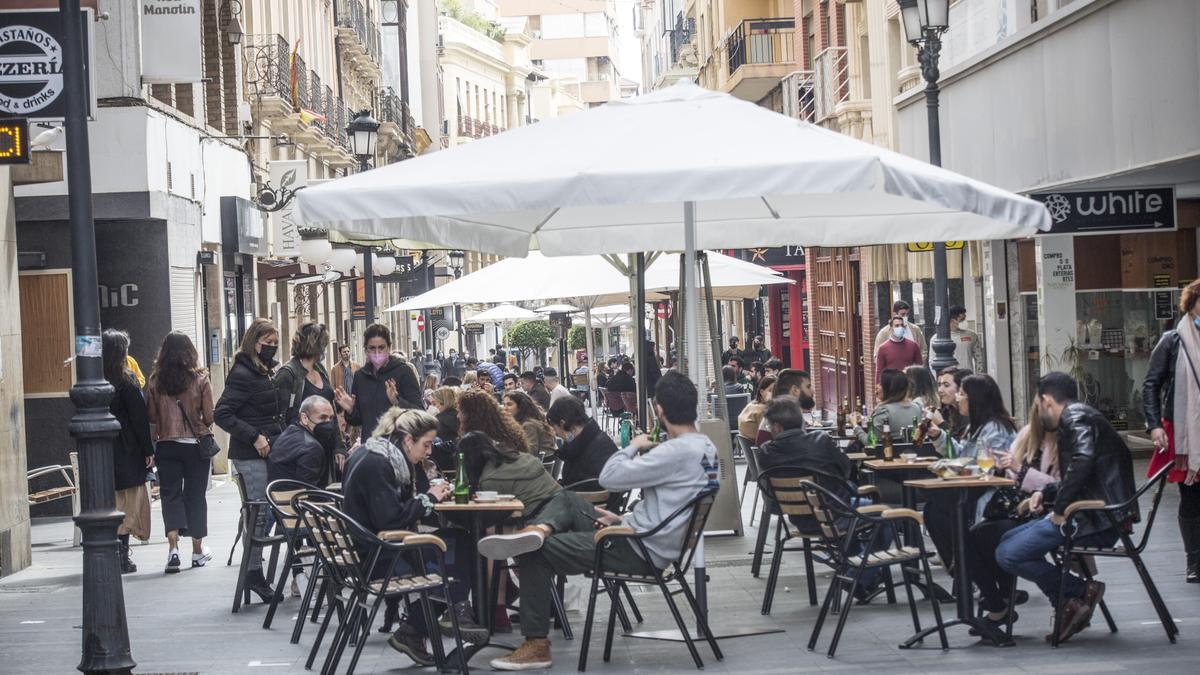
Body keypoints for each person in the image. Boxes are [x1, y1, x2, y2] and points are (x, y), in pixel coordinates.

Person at [486, 370, 718, 670]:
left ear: (658, 409)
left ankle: (536, 645)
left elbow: (610, 477)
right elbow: (674, 506)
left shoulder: (675, 452)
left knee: (536, 553)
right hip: (647, 538)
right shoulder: (706, 448)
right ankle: (540, 528)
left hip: (636, 548)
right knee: (567, 499)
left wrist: (634, 445)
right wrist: (625, 518)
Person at [996, 372, 1137, 644]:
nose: (1038, 411)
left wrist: (1060, 508)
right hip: (1094, 514)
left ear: (1047, 400)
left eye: (1038, 403)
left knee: (1007, 553)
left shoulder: (1075, 417)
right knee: (1007, 539)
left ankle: (1077, 592)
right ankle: (1070, 599)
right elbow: (1079, 471)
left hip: (1095, 519)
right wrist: (1045, 492)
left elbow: (1083, 461)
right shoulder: (1079, 415)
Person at [340, 408, 488, 663]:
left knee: (459, 541)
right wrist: (428, 499)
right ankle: (445, 616)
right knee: (452, 558)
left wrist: (427, 499)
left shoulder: (374, 453)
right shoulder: (379, 464)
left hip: (371, 547)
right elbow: (391, 519)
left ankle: (436, 620)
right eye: (426, 444)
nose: (429, 451)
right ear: (408, 439)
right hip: (379, 556)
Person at [966, 402, 1060, 629]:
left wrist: (1021, 470)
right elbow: (1011, 473)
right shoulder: (1027, 435)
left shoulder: (1063, 443)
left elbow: (1059, 487)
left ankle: (1000, 601)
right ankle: (1000, 598)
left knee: (978, 539)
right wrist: (1003, 466)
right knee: (970, 537)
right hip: (1016, 508)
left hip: (1044, 512)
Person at [924, 373, 1017, 576]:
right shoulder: (976, 427)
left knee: (940, 511)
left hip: (994, 498)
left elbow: (991, 470)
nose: (958, 398)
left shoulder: (995, 429)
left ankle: (968, 570)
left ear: (975, 399)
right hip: (973, 491)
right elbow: (964, 456)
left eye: (962, 394)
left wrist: (957, 468)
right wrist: (939, 436)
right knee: (934, 509)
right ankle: (963, 568)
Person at [214, 319, 282, 595]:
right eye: (268, 344)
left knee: (264, 513)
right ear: (254, 343)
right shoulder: (243, 373)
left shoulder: (264, 372)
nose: (272, 349)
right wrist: (255, 436)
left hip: (267, 454)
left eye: (276, 344)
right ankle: (253, 573)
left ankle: (255, 570)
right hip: (251, 457)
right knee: (259, 514)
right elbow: (222, 413)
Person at [1142, 280, 1200, 583]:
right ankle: (1195, 561)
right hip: (1184, 429)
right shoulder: (1172, 340)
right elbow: (1151, 385)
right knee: (1191, 496)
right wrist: (1153, 426)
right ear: (1191, 304)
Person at [147, 330, 216, 575]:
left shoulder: (156, 380)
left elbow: (152, 416)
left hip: (166, 445)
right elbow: (209, 416)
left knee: (170, 496)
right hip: (195, 447)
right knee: (196, 497)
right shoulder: (200, 379)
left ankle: (173, 550)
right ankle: (197, 552)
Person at [103, 329, 155, 574]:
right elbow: (139, 419)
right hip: (127, 449)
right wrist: (148, 450)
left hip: (102, 450)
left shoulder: (95, 380)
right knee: (128, 502)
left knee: (110, 501)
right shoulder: (128, 381)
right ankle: (122, 555)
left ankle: (112, 552)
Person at [275, 321, 345, 481]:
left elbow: (331, 411)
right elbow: (281, 417)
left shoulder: (320, 370)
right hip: (303, 452)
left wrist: (339, 446)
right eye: (324, 344)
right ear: (315, 345)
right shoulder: (288, 374)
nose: (325, 349)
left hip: (325, 448)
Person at [334, 324, 423, 441]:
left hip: (397, 448)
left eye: (381, 347)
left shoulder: (404, 372)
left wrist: (397, 401)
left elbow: (420, 414)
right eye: (372, 348)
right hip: (371, 446)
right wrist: (350, 409)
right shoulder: (360, 376)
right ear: (366, 349)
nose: (377, 353)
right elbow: (358, 420)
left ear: (389, 348)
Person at [546, 395, 618, 486]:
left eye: (554, 428)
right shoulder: (594, 439)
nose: (555, 433)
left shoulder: (581, 448)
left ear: (562, 424)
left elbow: (578, 485)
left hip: (587, 498)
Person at [268, 396, 339, 486]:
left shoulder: (290, 432)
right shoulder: (311, 447)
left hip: (277, 496)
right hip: (293, 497)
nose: (328, 423)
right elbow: (307, 491)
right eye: (322, 418)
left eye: (331, 418)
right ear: (304, 418)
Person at [853, 369, 923, 445]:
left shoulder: (884, 411)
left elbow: (871, 442)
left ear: (888, 388)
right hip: (915, 454)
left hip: (889, 455)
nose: (877, 386)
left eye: (881, 383)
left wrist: (855, 426)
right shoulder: (917, 408)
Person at [458, 389, 530, 455]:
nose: (458, 416)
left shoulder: (481, 442)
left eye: (461, 412)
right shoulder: (509, 430)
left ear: (471, 414)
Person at [757, 369, 815, 445]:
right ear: (795, 390)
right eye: (808, 387)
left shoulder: (777, 411)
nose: (812, 391)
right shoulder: (788, 416)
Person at [504, 390, 558, 456]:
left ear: (521, 406)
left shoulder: (529, 425)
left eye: (509, 404)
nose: (505, 408)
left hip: (542, 463)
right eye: (504, 404)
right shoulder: (529, 421)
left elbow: (530, 453)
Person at [875, 316, 923, 380]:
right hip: (891, 385)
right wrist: (878, 387)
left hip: (909, 384)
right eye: (897, 326)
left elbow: (920, 367)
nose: (900, 328)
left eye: (902, 325)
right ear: (891, 328)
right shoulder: (883, 348)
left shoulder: (913, 345)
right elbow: (879, 370)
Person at [738, 374, 776, 440]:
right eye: (771, 391)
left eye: (777, 391)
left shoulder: (751, 405)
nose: (775, 394)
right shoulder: (763, 409)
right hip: (760, 447)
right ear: (761, 391)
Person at [948, 305, 984, 372]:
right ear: (952, 320)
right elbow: (932, 361)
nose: (964, 322)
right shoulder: (939, 338)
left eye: (965, 318)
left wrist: (979, 377)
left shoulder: (972, 335)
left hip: (968, 377)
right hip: (950, 378)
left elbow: (979, 359)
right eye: (962, 320)